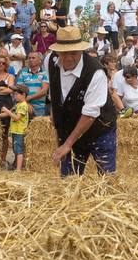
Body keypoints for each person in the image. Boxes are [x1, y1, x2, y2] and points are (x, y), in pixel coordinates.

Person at [47, 26, 119, 176]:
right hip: (69, 127)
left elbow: (90, 114)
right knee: (68, 180)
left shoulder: (96, 71)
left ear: (81, 50)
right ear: (57, 51)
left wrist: (67, 145)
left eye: (74, 52)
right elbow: (54, 92)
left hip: (99, 129)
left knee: (107, 180)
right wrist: (55, 116)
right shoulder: (51, 62)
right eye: (64, 53)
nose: (69, 57)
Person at [18, 50, 50, 117]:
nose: (30, 60)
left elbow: (44, 91)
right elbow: (19, 90)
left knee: (38, 126)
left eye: (33, 58)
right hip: (24, 106)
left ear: (40, 60)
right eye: (29, 58)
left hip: (39, 107)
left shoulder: (45, 73)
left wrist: (29, 98)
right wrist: (26, 103)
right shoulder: (23, 72)